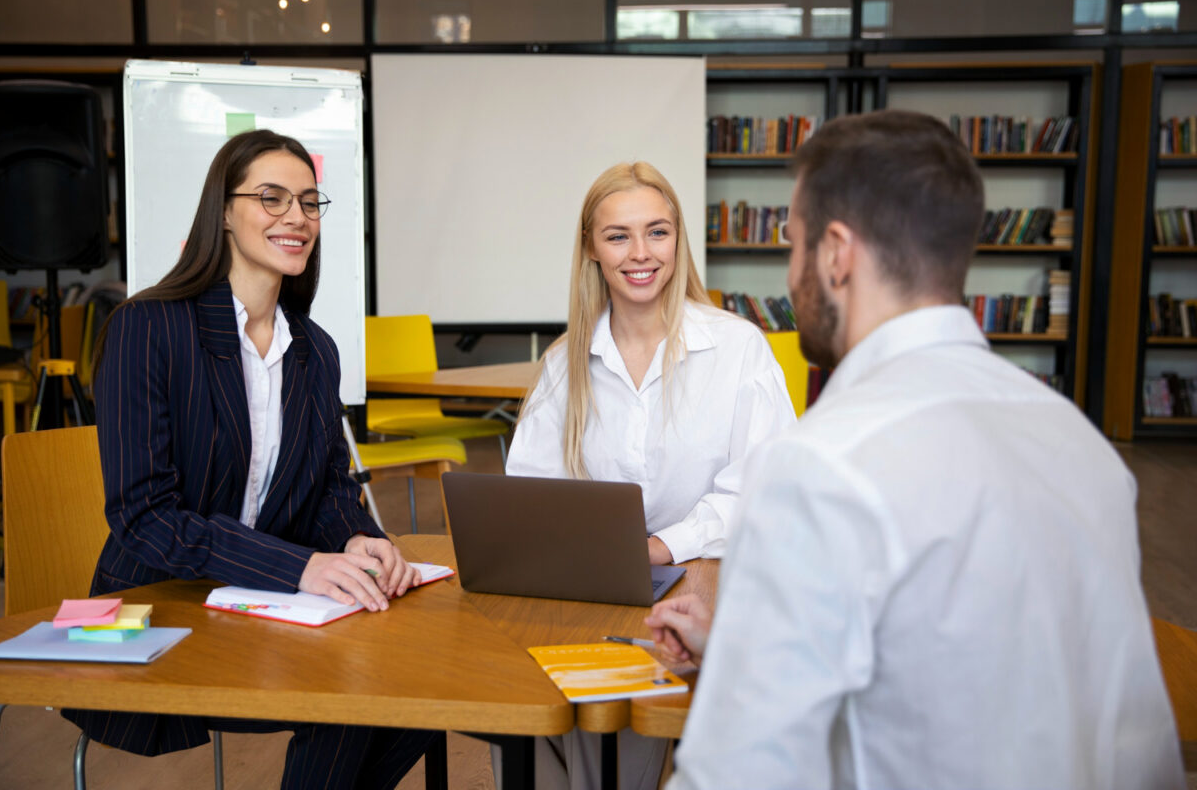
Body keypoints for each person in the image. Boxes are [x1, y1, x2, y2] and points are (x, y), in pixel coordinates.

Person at [645, 110, 1185, 789]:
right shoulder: (1084, 447)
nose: (790, 273)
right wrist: (747, 645)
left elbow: (739, 774)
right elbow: (1079, 704)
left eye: (794, 244)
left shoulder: (818, 465)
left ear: (836, 254)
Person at [62, 129, 439, 789]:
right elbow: (144, 517)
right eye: (271, 198)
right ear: (224, 214)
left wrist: (359, 539)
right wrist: (301, 567)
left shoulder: (314, 349)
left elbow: (327, 489)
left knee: (430, 685)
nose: (297, 216)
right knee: (350, 695)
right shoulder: (147, 327)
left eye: (309, 201)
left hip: (258, 602)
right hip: (150, 605)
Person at [503, 161, 795, 790]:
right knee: (518, 705)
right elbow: (530, 495)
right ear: (591, 249)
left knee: (616, 714)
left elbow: (765, 487)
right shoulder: (564, 363)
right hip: (595, 585)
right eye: (618, 236)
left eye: (657, 232)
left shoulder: (738, 347)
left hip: (703, 582)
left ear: (677, 239)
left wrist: (662, 546)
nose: (641, 253)